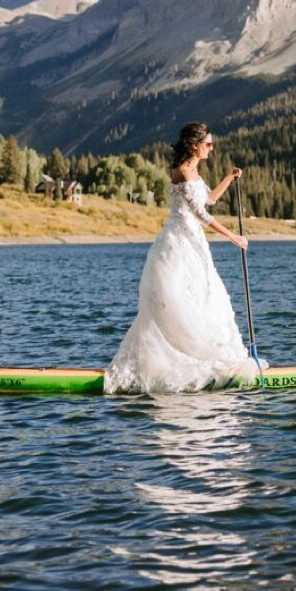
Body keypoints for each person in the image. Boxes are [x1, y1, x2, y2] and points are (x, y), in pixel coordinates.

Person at [105, 122, 261, 393]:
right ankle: (181, 364)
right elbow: (202, 215)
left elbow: (209, 200)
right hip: (178, 245)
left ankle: (209, 361)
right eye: (208, 144)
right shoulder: (183, 172)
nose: (211, 149)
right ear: (194, 145)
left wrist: (228, 177)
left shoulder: (194, 173)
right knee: (181, 302)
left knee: (204, 300)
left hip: (195, 245)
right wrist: (233, 237)